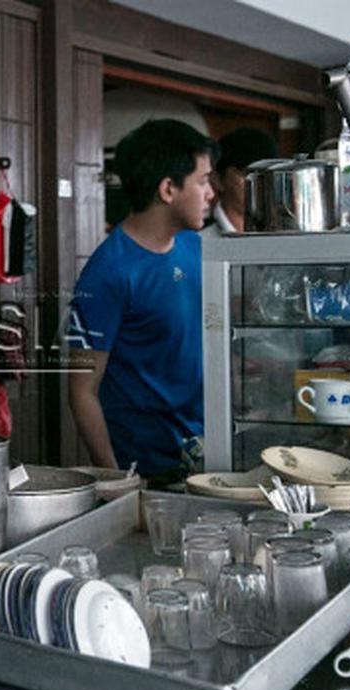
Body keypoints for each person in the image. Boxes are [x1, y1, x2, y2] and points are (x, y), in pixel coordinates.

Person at [67, 119, 217, 485]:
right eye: (202, 181)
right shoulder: (108, 273)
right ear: (168, 189)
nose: (211, 193)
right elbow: (81, 390)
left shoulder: (193, 246)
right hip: (148, 468)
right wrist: (117, 480)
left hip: (207, 451)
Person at [200, 127, 279, 240]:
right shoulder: (198, 240)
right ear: (217, 180)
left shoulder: (288, 236)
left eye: (268, 175)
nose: (260, 184)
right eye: (248, 174)